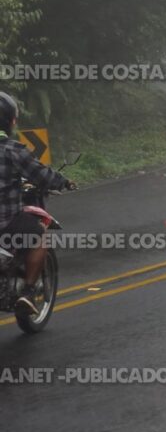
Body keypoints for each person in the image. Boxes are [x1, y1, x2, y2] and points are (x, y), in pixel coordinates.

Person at [0, 92, 74, 316]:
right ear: (10, 120)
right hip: (5, 223)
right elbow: (42, 175)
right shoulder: (12, 150)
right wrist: (64, 182)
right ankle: (28, 292)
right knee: (40, 233)